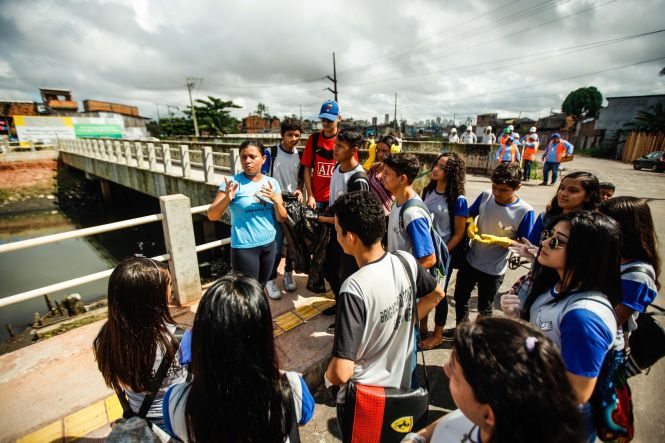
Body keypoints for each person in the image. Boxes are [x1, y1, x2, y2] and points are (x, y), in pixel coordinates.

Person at [324, 191, 445, 439]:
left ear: (350, 237)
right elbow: (437, 295)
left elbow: (342, 372)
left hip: (368, 404)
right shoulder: (405, 261)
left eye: (337, 230)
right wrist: (403, 321)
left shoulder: (354, 287)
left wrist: (328, 377)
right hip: (402, 392)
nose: (337, 236)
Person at [504, 211, 621, 443]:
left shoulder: (584, 317)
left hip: (556, 423)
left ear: (585, 253)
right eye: (549, 234)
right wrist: (516, 318)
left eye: (558, 241)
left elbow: (576, 393)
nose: (545, 242)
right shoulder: (558, 285)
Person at [163, 274, 314, 442]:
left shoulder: (176, 402)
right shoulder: (292, 389)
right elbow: (305, 415)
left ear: (202, 337)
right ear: (263, 335)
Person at [401, 317, 584, 443]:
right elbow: (455, 418)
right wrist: (418, 437)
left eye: (456, 375)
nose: (446, 370)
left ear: (489, 415)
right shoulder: (490, 417)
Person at [93, 257, 191, 430]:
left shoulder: (105, 337)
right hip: (174, 416)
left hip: (137, 413)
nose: (171, 289)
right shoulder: (180, 339)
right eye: (167, 284)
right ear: (152, 298)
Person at [453, 163, 534, 327]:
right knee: (460, 298)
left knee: (485, 307)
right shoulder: (485, 196)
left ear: (518, 187)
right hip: (471, 260)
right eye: (494, 187)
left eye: (503, 190)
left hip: (494, 269)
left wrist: (506, 241)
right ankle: (461, 330)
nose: (497, 193)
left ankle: (477, 336)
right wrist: (470, 225)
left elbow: (527, 246)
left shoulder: (524, 211)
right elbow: (469, 215)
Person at [207, 140, 287, 291]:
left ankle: (260, 315)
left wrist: (276, 201)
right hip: (244, 249)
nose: (247, 161)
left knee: (261, 288)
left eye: (252, 156)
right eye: (243, 157)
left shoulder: (272, 183)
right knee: (247, 293)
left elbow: (281, 218)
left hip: (269, 245)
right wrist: (226, 199)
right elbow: (212, 216)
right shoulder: (232, 183)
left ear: (263, 159)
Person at [317, 129, 370, 318]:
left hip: (350, 239)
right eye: (335, 144)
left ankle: (347, 317)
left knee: (349, 278)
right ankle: (340, 304)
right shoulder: (337, 168)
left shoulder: (358, 179)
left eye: (340, 146)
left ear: (354, 150)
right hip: (336, 233)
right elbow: (335, 203)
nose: (335, 149)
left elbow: (356, 219)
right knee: (329, 268)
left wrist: (323, 219)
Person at [420, 153, 469, 348]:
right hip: (425, 252)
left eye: (442, 167)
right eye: (436, 165)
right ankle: (422, 328)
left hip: (443, 257)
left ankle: (438, 334)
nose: (436, 169)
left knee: (438, 294)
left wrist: (443, 254)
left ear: (451, 173)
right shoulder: (427, 191)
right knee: (422, 291)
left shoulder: (458, 200)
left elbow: (458, 233)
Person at [598, 197, 660, 335]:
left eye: (601, 220)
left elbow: (610, 322)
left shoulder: (637, 275)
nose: (595, 225)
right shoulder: (607, 256)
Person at [266, 118, 305, 297]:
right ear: (282, 135)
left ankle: (288, 273)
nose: (294, 138)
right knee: (275, 242)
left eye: (297, 135)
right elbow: (261, 176)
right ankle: (271, 278)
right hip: (275, 202)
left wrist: (299, 189)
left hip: (293, 203)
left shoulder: (301, 154)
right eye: (290, 135)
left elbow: (301, 176)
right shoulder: (271, 152)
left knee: (293, 241)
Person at [383, 153, 436, 270]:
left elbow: (429, 259)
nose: (382, 176)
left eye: (387, 173)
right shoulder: (397, 202)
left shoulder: (412, 214)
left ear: (402, 179)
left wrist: (404, 279)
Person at [527, 171, 600, 246]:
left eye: (572, 190)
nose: (563, 193)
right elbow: (531, 245)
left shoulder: (592, 227)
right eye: (562, 188)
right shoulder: (545, 218)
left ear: (588, 196)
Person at [301, 99, 341, 211]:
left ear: (339, 118)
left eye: (330, 120)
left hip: (337, 199)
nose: (326, 123)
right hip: (316, 199)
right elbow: (307, 168)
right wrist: (310, 195)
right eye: (324, 120)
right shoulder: (313, 139)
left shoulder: (344, 139)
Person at [367, 134, 399, 217]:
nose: (380, 154)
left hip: (389, 216)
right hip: (372, 215)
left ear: (393, 150)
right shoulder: (374, 167)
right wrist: (370, 160)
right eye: (378, 150)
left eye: (384, 151)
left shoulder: (397, 172)